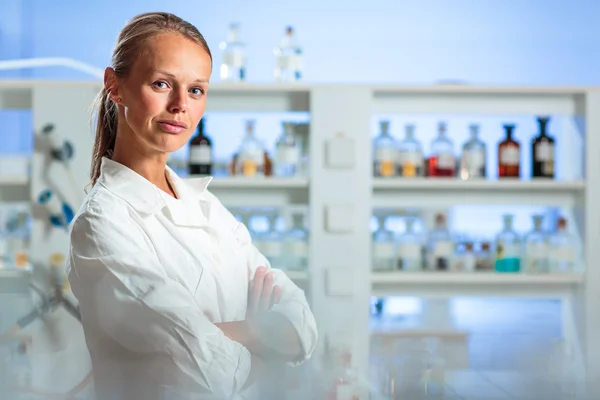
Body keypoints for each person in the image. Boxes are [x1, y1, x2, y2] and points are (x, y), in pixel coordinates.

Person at [66, 12, 318, 400]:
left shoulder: (207, 209)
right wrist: (260, 334)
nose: (181, 105)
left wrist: (222, 333)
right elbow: (195, 370)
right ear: (115, 86)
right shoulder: (102, 224)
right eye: (162, 83)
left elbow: (302, 325)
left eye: (197, 89)